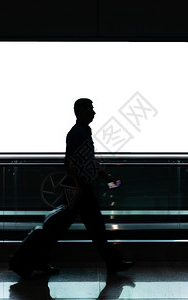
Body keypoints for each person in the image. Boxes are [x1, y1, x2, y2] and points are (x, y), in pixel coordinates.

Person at [46, 98, 134, 275]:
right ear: (81, 112)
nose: (94, 112)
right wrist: (80, 185)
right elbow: (69, 161)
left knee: (65, 228)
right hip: (80, 189)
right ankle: (113, 263)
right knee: (94, 228)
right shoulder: (77, 133)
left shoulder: (83, 131)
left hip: (79, 189)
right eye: (90, 109)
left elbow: (87, 160)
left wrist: (106, 177)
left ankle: (37, 261)